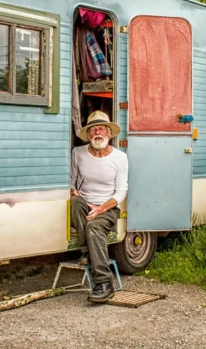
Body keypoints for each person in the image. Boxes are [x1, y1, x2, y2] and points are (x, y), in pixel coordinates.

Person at [70, 110, 129, 303]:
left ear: (109, 133)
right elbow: (71, 181)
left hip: (108, 209)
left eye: (102, 129)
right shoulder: (77, 153)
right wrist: (73, 191)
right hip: (84, 205)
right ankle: (88, 251)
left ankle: (104, 283)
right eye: (93, 129)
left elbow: (121, 192)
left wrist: (101, 209)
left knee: (94, 226)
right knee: (75, 203)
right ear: (88, 135)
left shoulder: (120, 157)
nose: (98, 132)